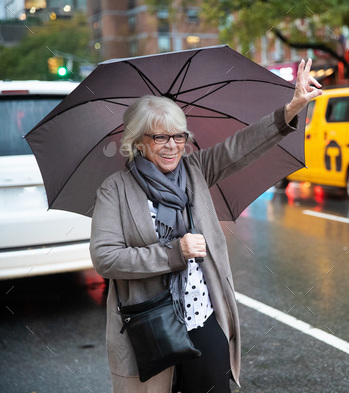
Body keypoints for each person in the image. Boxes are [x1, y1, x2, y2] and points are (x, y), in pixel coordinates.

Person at [90, 59, 322, 393]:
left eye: (179, 136)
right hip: (150, 325)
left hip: (200, 314)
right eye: (160, 137)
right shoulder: (115, 189)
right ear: (139, 141)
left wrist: (291, 108)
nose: (172, 145)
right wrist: (174, 252)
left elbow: (242, 146)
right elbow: (106, 258)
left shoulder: (194, 171)